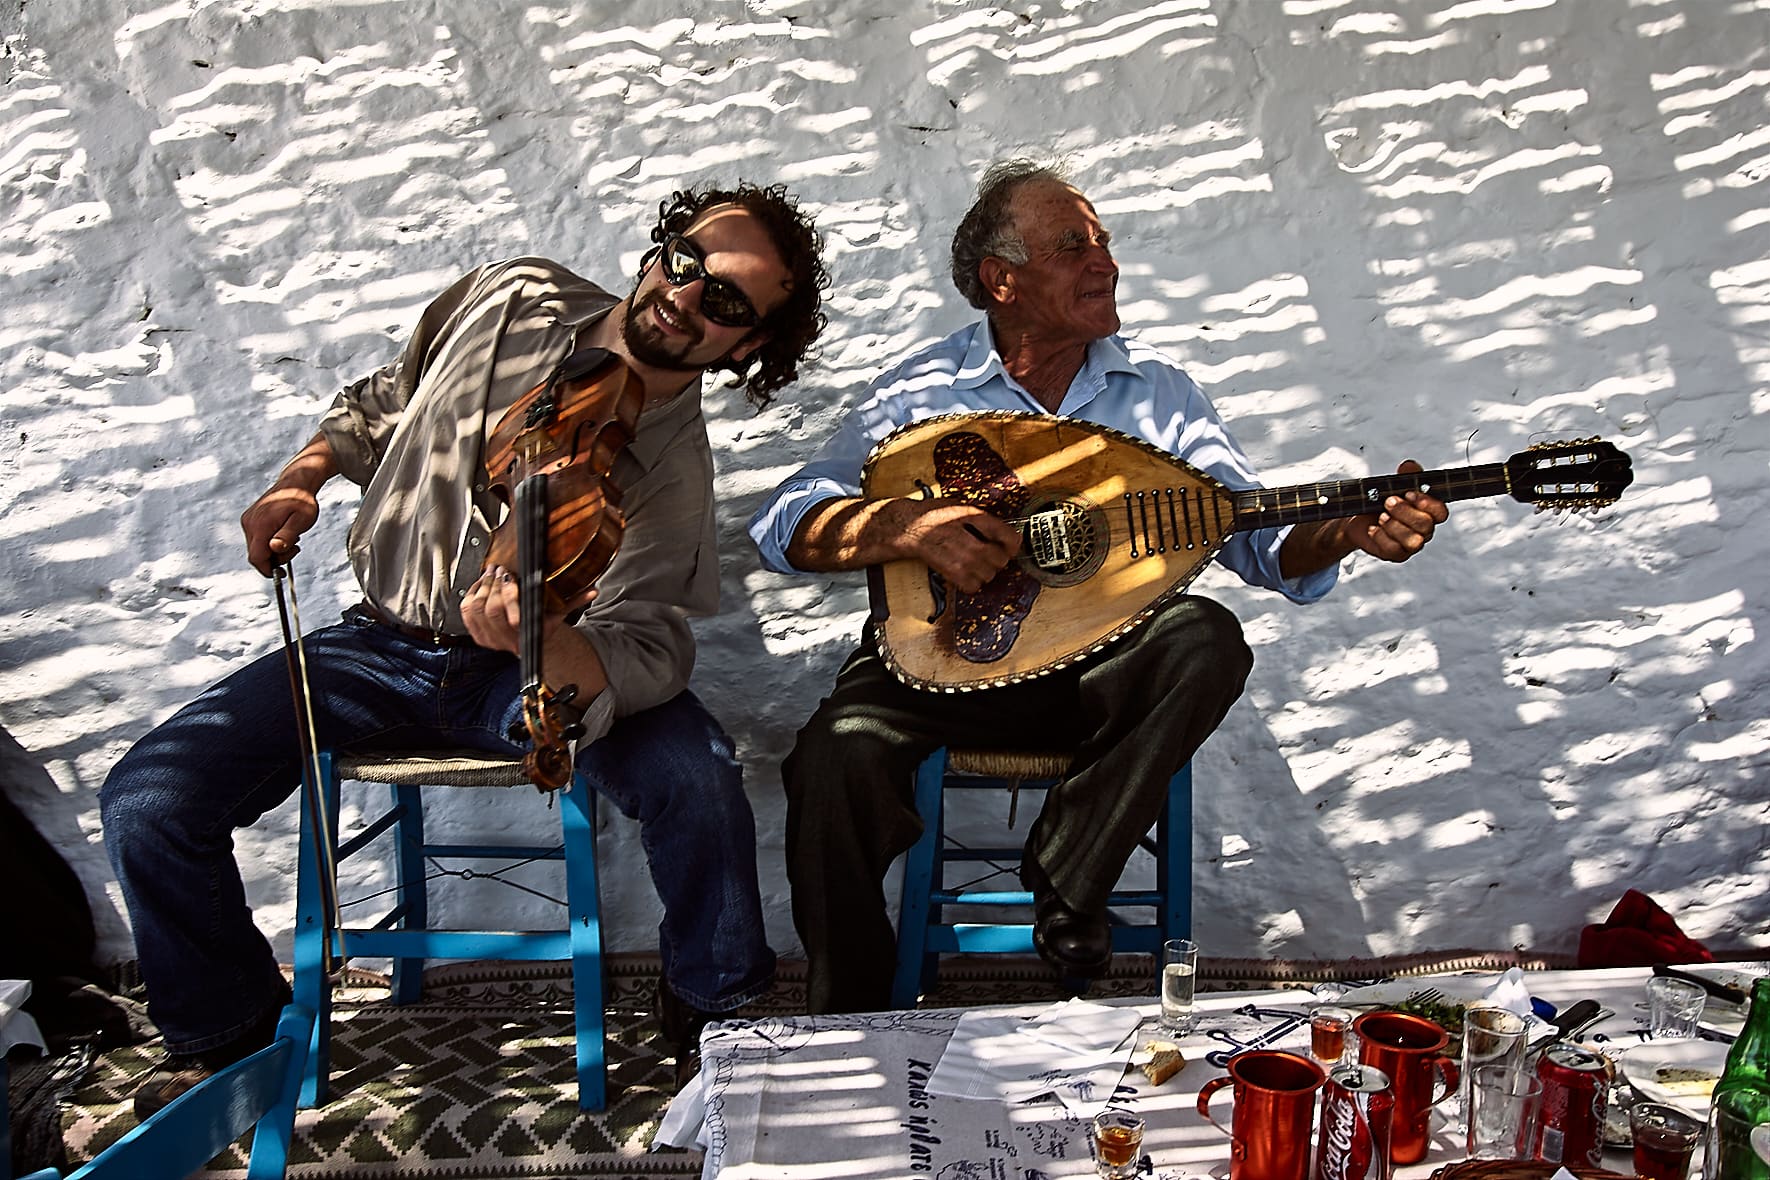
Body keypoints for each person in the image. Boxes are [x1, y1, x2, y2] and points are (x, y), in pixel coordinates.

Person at [101, 183, 829, 1111]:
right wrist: (301, 481)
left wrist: (546, 637)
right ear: (660, 251)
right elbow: (382, 404)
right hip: (372, 648)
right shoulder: (511, 298)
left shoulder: (675, 468)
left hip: (513, 675)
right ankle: (232, 1042)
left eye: (726, 302)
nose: (685, 297)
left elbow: (645, 638)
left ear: (748, 343)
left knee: (699, 775)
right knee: (148, 798)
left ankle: (717, 1016)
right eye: (685, 261)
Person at [748, 159, 1447, 1015]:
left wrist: (1348, 529)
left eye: (1104, 243)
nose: (1104, 262)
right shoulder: (918, 391)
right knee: (833, 756)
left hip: (1094, 673)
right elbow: (785, 520)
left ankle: (1071, 864)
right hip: (938, 662)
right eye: (1072, 245)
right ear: (1000, 280)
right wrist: (900, 527)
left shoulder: (1159, 397)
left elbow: (1255, 543)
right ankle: (850, 1018)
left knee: (1206, 636)